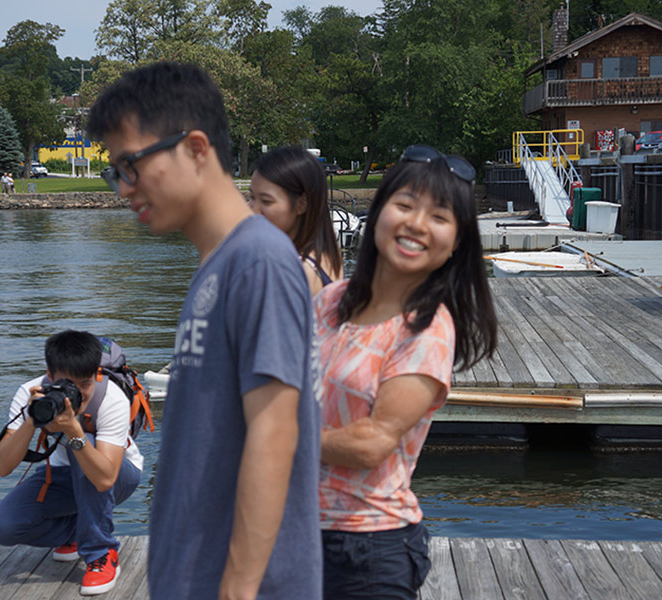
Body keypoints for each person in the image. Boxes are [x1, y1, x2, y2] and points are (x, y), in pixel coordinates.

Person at [87, 62, 322, 600]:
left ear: (195, 147)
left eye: (131, 166)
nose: (123, 189)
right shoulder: (215, 267)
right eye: (114, 172)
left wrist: (238, 588)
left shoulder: (259, 260)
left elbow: (275, 432)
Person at [315, 144, 498, 599]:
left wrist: (271, 439)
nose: (416, 224)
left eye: (439, 216)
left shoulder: (428, 331)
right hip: (289, 527)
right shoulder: (330, 301)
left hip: (365, 547)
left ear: (457, 242)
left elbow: (373, 442)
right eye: (404, 205)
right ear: (377, 213)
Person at [0, 330, 143, 596]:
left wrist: (74, 430)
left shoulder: (110, 398)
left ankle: (100, 552)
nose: (77, 395)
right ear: (50, 375)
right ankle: (74, 534)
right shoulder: (30, 393)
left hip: (117, 475)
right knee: (4, 528)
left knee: (86, 443)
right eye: (67, 384)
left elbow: (105, 478)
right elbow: (3, 467)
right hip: (63, 477)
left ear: (96, 373)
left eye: (85, 384)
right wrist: (32, 419)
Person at [249, 146, 344, 295]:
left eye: (266, 201)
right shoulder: (327, 257)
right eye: (252, 198)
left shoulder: (292, 272)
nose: (253, 210)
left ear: (301, 204)